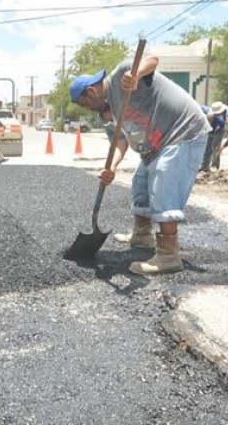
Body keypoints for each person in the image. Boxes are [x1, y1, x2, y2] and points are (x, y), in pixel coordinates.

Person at [71, 50, 210, 275]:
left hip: (183, 131)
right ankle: (142, 236)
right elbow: (120, 142)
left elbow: (153, 59)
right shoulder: (112, 112)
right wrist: (112, 167)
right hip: (156, 146)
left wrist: (136, 75)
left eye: (83, 103)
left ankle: (168, 255)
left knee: (164, 182)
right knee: (141, 182)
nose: (84, 108)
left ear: (90, 91)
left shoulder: (119, 76)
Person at [199, 104, 225, 172]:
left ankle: (215, 167)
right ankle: (204, 166)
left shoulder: (220, 121)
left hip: (218, 131)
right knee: (207, 148)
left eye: (210, 121)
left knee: (215, 147)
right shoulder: (202, 110)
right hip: (208, 130)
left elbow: (219, 130)